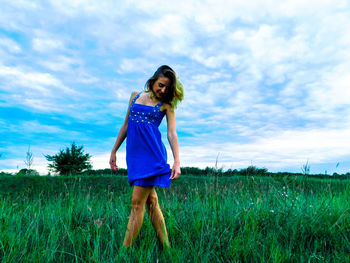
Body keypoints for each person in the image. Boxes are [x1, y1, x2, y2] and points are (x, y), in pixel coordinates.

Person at [109, 65, 184, 248]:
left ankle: (123, 254)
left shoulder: (167, 105)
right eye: (160, 85)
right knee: (151, 202)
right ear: (153, 79)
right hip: (134, 157)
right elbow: (126, 125)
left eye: (167, 88)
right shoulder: (135, 95)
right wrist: (114, 151)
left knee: (136, 204)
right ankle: (167, 249)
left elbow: (172, 134)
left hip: (152, 156)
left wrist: (177, 161)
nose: (163, 90)